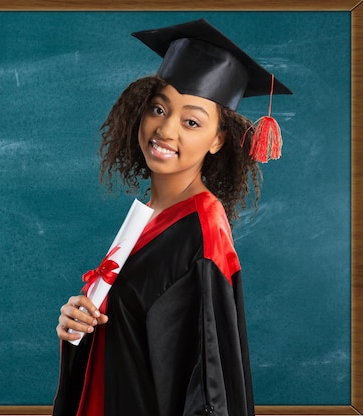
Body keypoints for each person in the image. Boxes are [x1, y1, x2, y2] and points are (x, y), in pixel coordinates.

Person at [52, 19, 292, 416]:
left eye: (192, 121)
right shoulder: (151, 217)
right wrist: (79, 325)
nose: (165, 129)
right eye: (159, 108)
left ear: (218, 140)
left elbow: (207, 387)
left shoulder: (202, 231)